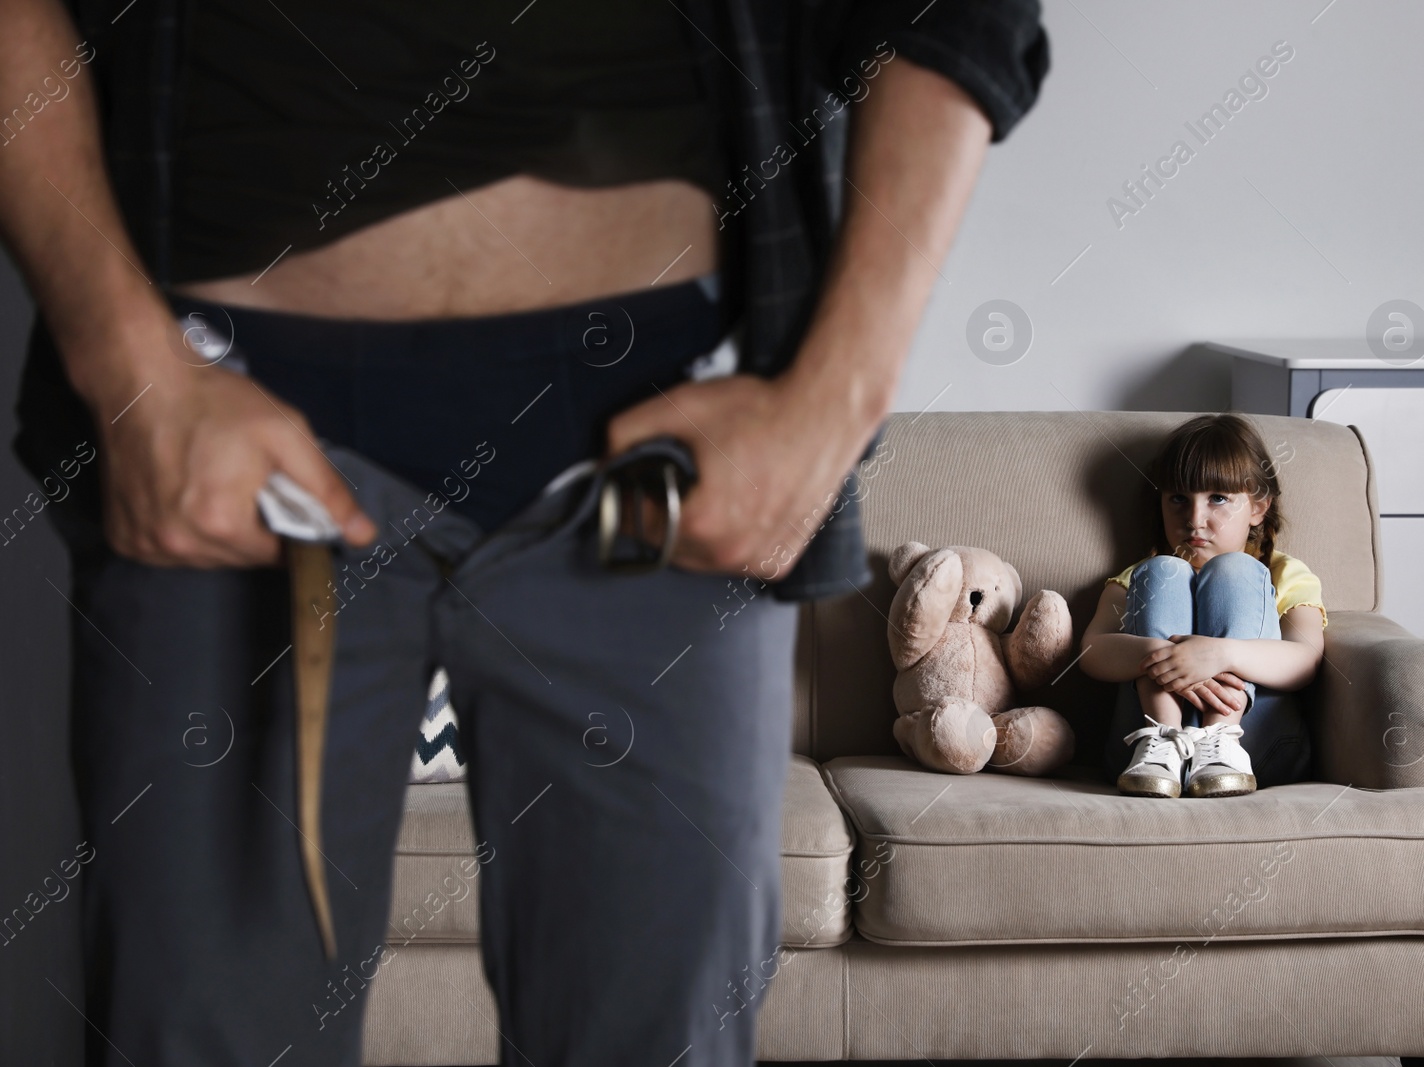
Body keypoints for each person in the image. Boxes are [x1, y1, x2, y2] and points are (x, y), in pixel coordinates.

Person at [0, 0, 1049, 1063]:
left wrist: (834, 406)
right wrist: (123, 360)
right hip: (231, 448)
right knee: (200, 1036)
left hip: (665, 459)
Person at [1079, 414, 1326, 799]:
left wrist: (1220, 654)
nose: (1195, 520)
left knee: (1235, 570)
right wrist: (1166, 655)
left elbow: (1306, 660)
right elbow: (1092, 651)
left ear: (1258, 508)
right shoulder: (1138, 577)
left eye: (1219, 499)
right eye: (1178, 498)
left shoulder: (1283, 573)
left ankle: (1221, 739)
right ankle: (1164, 740)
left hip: (1256, 749)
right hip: (1144, 761)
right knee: (1164, 570)